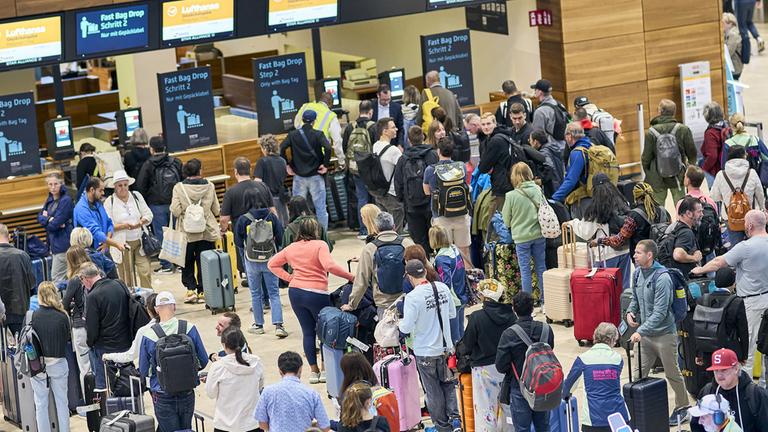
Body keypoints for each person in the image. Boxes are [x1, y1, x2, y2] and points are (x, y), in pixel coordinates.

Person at [267, 217, 354, 384]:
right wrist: (351, 276)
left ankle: (313, 372)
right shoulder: (320, 245)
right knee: (324, 332)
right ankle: (324, 370)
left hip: (296, 292)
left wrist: (289, 278)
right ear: (316, 231)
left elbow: (272, 264)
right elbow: (329, 266)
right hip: (316, 293)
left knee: (307, 332)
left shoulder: (291, 247)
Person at [691, 209, 768, 386]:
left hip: (754, 304)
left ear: (749, 226)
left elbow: (719, 262)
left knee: (754, 351)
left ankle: (756, 386)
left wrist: (700, 269)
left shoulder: (745, 247)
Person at [626, 239, 690, 425]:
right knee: (638, 375)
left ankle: (683, 407)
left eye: (638, 252)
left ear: (649, 255)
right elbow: (635, 299)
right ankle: (636, 408)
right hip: (645, 336)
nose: (634, 255)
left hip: (664, 335)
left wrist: (640, 330)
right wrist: (630, 311)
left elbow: (661, 312)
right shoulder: (637, 274)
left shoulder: (663, 278)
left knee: (672, 374)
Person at [398, 259, 458, 432]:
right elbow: (452, 313)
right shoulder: (442, 287)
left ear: (409, 276)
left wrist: (399, 323)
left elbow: (406, 327)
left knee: (433, 391)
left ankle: (442, 427)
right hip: (446, 349)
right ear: (424, 271)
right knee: (448, 385)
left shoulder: (412, 297)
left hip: (425, 351)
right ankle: (456, 422)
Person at [138, 291, 208, 432]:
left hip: (162, 393)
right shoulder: (189, 328)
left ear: (156, 309)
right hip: (187, 392)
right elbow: (203, 360)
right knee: (186, 429)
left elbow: (144, 370)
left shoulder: (148, 335)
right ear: (174, 307)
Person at [457, 279, 517, 432]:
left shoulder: (476, 317)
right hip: (507, 368)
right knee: (508, 408)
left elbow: (467, 346)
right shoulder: (511, 316)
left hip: (484, 371)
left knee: (486, 411)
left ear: (483, 296)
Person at [495, 291, 555, 432]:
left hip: (519, 387)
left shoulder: (509, 334)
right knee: (544, 427)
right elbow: (550, 351)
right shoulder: (546, 329)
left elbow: (501, 366)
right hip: (543, 385)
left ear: (514, 309)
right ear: (533, 308)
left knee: (522, 428)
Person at [234, 188, 287, 337]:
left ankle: (259, 324)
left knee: (256, 293)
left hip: (251, 261)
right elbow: (281, 237)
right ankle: (278, 326)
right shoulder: (271, 216)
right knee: (274, 293)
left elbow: (238, 241)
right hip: (271, 259)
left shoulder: (243, 219)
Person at [170, 158, 221, 304]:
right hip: (206, 230)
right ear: (200, 170)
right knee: (204, 260)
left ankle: (190, 290)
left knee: (187, 261)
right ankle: (203, 290)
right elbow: (216, 209)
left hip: (187, 232)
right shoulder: (210, 186)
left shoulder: (178, 187)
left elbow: (175, 210)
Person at [343, 212, 413, 315]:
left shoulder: (370, 248)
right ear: (394, 227)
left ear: (377, 228)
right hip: (407, 300)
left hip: (384, 304)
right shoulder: (407, 243)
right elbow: (425, 267)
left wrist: (352, 304)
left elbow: (361, 280)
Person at [563, 322, 628, 432]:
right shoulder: (618, 359)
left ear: (595, 337)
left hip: (593, 420)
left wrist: (564, 395)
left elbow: (568, 387)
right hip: (619, 417)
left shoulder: (582, 359)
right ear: (612, 339)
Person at [79, 262, 132, 390]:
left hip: (104, 349)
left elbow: (92, 328)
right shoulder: (119, 284)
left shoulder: (92, 296)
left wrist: (90, 343)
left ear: (85, 278)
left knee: (104, 387)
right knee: (127, 383)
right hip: (125, 344)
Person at [135, 136, 183, 274]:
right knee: (177, 232)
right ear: (164, 148)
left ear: (151, 149)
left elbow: (141, 185)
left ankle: (166, 265)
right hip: (175, 202)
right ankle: (179, 263)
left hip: (156, 205)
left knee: (161, 234)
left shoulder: (148, 164)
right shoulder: (175, 162)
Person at [576, 173, 632, 289]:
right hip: (625, 250)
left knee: (606, 289)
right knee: (624, 288)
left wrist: (574, 223)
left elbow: (586, 232)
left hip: (607, 254)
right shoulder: (623, 202)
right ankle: (625, 307)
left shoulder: (596, 209)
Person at [692, 348, 768, 432]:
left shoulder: (756, 395)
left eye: (724, 370)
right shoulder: (707, 392)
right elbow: (696, 425)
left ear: (736, 368)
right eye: (716, 370)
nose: (719, 375)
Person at [205, 326, 264, 432]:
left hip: (225, 425)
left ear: (224, 345)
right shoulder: (256, 362)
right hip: (252, 424)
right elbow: (260, 387)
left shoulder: (218, 366)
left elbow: (211, 394)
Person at [254, 351, 331, 432]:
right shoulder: (311, 394)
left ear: (280, 370)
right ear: (300, 369)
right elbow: (325, 427)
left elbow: (262, 423)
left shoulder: (267, 392)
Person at [502, 162, 547, 298]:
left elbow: (506, 220)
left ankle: (528, 304)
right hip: (539, 234)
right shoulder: (538, 190)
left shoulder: (511, 195)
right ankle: (546, 301)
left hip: (521, 238)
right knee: (541, 267)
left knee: (525, 271)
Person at [30, 281, 71, 432]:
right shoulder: (63, 316)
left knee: (40, 404)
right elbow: (67, 339)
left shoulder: (33, 316)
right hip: (59, 362)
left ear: (39, 296)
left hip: (38, 366)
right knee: (62, 403)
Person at [281, 109, 332, 231]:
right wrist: (325, 165)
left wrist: (288, 165)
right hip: (316, 176)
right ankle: (322, 236)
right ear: (314, 121)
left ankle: (299, 234)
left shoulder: (293, 135)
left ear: (302, 120)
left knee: (297, 209)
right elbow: (328, 148)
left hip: (298, 177)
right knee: (320, 209)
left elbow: (281, 148)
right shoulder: (318, 134)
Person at [103, 170, 153, 288]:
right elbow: (107, 224)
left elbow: (149, 214)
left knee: (144, 271)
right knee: (126, 276)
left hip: (140, 240)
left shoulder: (136, 196)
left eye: (125, 185)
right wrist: (124, 226)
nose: (123, 188)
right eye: (120, 185)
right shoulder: (109, 201)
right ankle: (130, 300)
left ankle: (148, 298)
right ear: (114, 187)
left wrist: (140, 222)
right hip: (121, 244)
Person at [642, 99, 697, 206]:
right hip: (678, 175)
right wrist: (689, 169)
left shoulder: (650, 132)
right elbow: (692, 153)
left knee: (659, 210)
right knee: (681, 207)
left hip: (657, 177)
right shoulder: (683, 129)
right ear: (674, 112)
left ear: (659, 111)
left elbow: (646, 158)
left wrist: (649, 173)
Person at [423, 138, 471, 259]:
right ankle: (467, 276)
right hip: (461, 213)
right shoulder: (461, 167)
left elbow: (426, 191)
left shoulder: (430, 170)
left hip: (441, 216)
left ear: (438, 151)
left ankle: (448, 276)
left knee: (445, 253)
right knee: (464, 251)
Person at [694, 268, 749, 371]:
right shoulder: (736, 302)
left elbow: (699, 328)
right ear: (734, 283)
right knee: (729, 380)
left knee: (712, 380)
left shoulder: (702, 300)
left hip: (707, 349)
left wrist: (698, 352)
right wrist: (743, 355)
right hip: (730, 350)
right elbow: (743, 331)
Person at [394, 125, 438, 253]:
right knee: (436, 238)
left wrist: (403, 200)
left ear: (409, 140)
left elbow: (398, 182)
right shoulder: (432, 154)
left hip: (412, 206)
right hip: (431, 204)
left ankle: (425, 267)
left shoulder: (403, 158)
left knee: (420, 241)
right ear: (423, 137)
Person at [598, 182, 671, 258]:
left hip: (643, 259)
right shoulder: (663, 211)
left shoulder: (634, 215)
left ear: (635, 195)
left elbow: (619, 240)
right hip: (662, 256)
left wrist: (601, 240)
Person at [711, 146, 765, 247]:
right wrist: (762, 208)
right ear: (744, 156)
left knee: (737, 248)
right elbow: (760, 195)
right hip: (752, 216)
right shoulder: (751, 173)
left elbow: (715, 197)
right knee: (756, 246)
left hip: (731, 218)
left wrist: (727, 197)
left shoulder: (721, 175)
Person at [343, 100, 378, 239]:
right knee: (375, 197)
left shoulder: (350, 127)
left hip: (355, 169)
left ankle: (363, 230)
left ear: (359, 111)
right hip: (370, 168)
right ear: (371, 112)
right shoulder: (373, 126)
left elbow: (346, 147)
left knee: (361, 198)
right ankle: (376, 227)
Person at [429, 226, 468, 343]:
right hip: (462, 295)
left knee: (454, 337)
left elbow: (445, 283)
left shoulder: (441, 259)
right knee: (461, 332)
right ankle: (464, 357)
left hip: (453, 301)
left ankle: (458, 360)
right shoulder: (454, 249)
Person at [62, 246, 93, 391]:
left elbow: (64, 304)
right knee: (98, 364)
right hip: (97, 324)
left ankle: (91, 405)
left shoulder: (75, 279)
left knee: (85, 367)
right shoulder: (96, 272)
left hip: (80, 326)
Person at [478, 113, 517, 213]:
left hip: (502, 186)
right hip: (509, 181)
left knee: (499, 220)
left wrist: (489, 166)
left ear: (495, 123)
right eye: (483, 124)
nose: (486, 127)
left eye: (488, 123)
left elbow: (482, 168)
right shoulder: (503, 135)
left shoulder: (495, 141)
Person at [294, 92, 345, 171]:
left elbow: (296, 125)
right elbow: (337, 141)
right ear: (330, 104)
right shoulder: (331, 116)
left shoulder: (305, 106)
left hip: (300, 153)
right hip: (318, 156)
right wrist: (341, 161)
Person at [73, 176, 125, 252]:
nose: (103, 193)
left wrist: (106, 242)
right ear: (92, 190)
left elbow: (109, 223)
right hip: (89, 253)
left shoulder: (98, 203)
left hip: (103, 248)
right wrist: (116, 244)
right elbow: (95, 232)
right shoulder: (81, 209)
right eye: (100, 190)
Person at [37, 172, 73, 282]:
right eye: (50, 184)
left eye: (56, 184)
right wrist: (49, 219)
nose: (53, 187)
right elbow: (39, 217)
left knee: (57, 278)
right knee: (64, 278)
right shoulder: (49, 200)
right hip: (54, 245)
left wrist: (49, 220)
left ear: (61, 184)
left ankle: (64, 299)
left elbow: (53, 225)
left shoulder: (66, 200)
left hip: (63, 245)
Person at [370, 117, 405, 231]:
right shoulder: (393, 150)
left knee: (384, 228)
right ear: (385, 131)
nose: (396, 129)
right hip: (392, 193)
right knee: (396, 229)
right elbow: (403, 169)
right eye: (393, 127)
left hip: (379, 192)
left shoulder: (375, 145)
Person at [103, 293, 158, 364]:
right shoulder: (177, 326)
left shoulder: (144, 331)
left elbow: (130, 355)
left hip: (155, 372)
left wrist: (109, 356)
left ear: (148, 310)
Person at [0, 223, 34, 335]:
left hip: (1, 313)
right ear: (9, 236)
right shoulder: (23, 255)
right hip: (20, 310)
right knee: (24, 346)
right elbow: (32, 284)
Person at [552, 122, 592, 217]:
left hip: (582, 200)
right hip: (593, 195)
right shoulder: (590, 146)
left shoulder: (577, 152)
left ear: (569, 136)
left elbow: (571, 180)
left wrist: (554, 198)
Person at [254, 134, 289, 225]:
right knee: (283, 224)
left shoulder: (262, 162)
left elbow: (258, 182)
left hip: (268, 201)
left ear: (265, 148)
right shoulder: (282, 161)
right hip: (282, 199)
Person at [664, 196, 703, 276]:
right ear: (688, 213)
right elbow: (678, 255)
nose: (702, 214)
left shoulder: (674, 227)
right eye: (699, 212)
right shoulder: (686, 232)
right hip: (681, 279)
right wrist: (694, 258)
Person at [530, 79, 567, 148]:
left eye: (535, 89)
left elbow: (537, 136)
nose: (534, 91)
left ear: (540, 92)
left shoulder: (540, 112)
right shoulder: (559, 104)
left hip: (550, 149)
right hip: (564, 146)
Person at [529, 128, 564, 196]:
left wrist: (542, 180)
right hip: (559, 186)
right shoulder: (553, 149)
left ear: (535, 142)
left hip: (552, 189)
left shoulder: (544, 153)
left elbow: (549, 167)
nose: (529, 142)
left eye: (530, 140)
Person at [701, 102, 730, 186]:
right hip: (727, 167)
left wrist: (704, 169)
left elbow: (712, 156)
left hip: (715, 170)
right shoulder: (727, 125)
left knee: (715, 195)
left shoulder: (710, 133)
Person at [735, 0, 763, 65]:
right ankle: (758, 38)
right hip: (752, 1)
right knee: (749, 22)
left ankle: (746, 53)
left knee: (742, 25)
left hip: (741, 2)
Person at [723, 13, 744, 80]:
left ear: (730, 24)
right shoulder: (728, 32)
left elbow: (728, 53)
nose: (721, 25)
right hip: (734, 66)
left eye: (723, 23)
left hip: (735, 69)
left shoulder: (733, 34)